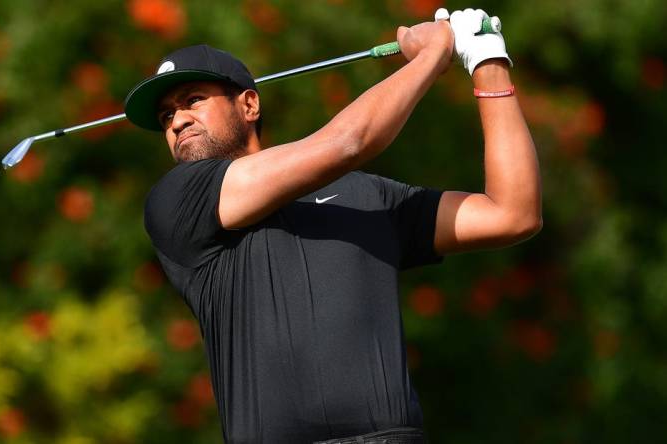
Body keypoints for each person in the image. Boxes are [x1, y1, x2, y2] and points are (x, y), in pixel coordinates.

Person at [124, 8, 541, 444]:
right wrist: (431, 56)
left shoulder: (364, 195)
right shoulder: (177, 202)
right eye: (165, 117)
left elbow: (513, 213)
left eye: (192, 100)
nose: (177, 121)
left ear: (248, 104)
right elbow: (349, 142)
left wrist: (488, 63)